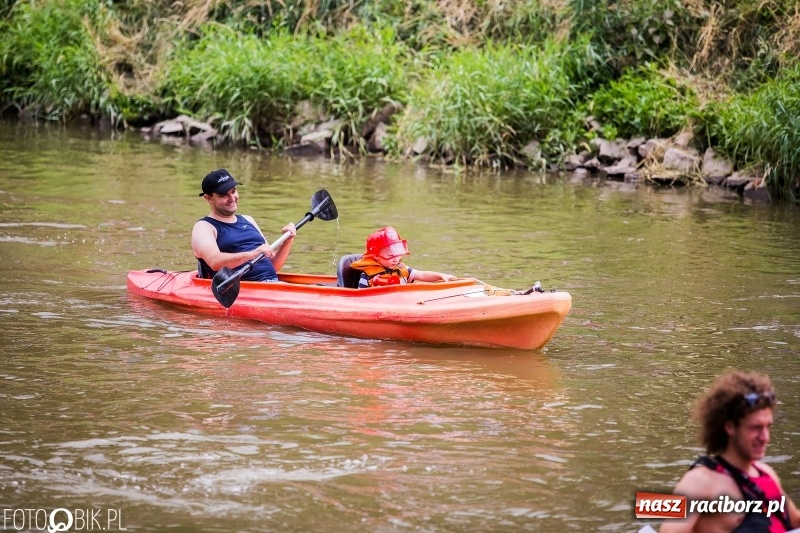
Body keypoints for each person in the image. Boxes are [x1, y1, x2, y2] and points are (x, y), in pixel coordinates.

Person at [660, 370, 799, 533]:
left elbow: (795, 521)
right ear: (730, 427)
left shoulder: (766, 474)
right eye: (756, 428)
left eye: (768, 427)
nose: (765, 437)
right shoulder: (700, 483)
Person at [191, 168, 296, 281]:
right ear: (208, 198)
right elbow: (214, 262)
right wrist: (252, 254)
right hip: (240, 290)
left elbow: (273, 266)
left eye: (233, 191)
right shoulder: (204, 227)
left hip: (270, 284)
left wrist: (288, 240)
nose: (232, 198)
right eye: (223, 195)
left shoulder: (248, 220)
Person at [349, 226, 457, 288]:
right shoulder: (367, 276)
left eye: (397, 254)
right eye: (391, 255)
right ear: (376, 257)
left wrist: (441, 276)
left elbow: (422, 275)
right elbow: (361, 298)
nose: (395, 259)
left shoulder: (401, 268)